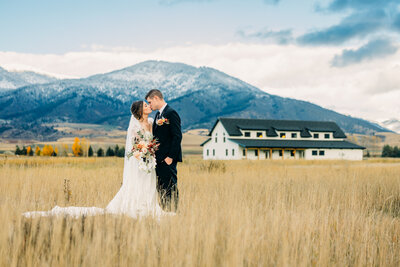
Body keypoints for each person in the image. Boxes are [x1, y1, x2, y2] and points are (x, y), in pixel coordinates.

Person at [22, 100, 172, 219]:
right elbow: (134, 146)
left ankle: (149, 207)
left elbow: (157, 136)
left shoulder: (152, 122)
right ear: (140, 110)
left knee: (149, 183)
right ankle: (137, 207)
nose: (148, 106)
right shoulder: (135, 127)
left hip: (150, 160)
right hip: (140, 160)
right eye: (145, 105)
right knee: (138, 183)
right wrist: (143, 152)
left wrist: (153, 148)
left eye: (148, 104)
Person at [145, 89, 182, 212]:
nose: (149, 105)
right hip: (159, 160)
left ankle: (173, 213)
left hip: (167, 160)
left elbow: (177, 136)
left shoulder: (171, 113)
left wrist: (170, 157)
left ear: (156, 98)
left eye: (150, 102)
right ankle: (165, 213)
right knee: (161, 189)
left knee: (170, 189)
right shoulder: (158, 115)